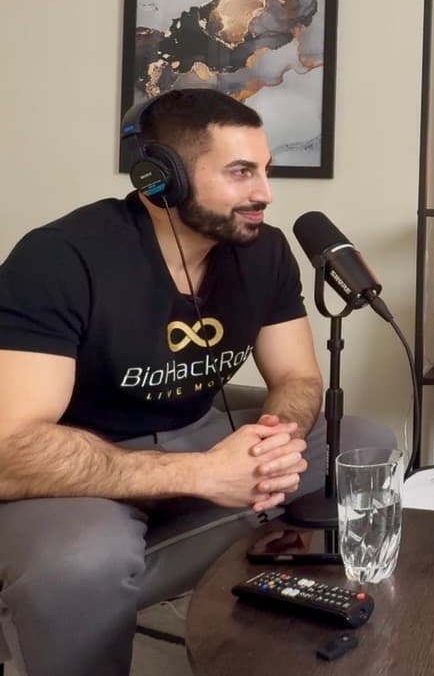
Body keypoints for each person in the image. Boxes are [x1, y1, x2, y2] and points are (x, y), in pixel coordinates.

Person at [0, 89, 395, 676]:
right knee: (82, 564)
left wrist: (273, 443)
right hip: (77, 474)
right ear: (161, 178)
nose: (264, 193)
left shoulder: (265, 251)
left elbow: (296, 376)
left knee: (365, 445)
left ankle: (236, 610)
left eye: (265, 171)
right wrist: (205, 474)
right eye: (241, 173)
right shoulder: (59, 258)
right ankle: (79, 596)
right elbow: (12, 448)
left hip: (203, 434)